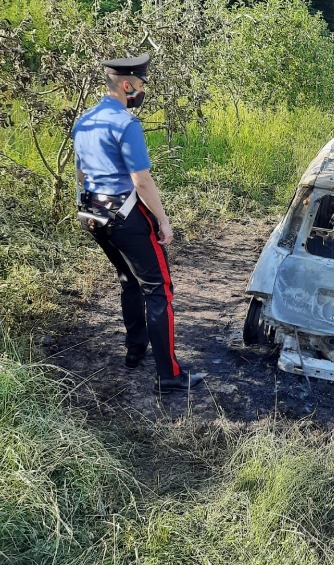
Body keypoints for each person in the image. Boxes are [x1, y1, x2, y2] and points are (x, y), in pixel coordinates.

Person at [71, 53, 204, 394]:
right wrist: (163, 220)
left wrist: (81, 205)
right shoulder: (125, 123)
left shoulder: (84, 121)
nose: (143, 90)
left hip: (94, 216)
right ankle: (169, 376)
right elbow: (141, 181)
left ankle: (135, 351)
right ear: (127, 85)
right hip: (126, 216)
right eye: (141, 84)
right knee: (159, 290)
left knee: (128, 279)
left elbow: (81, 173)